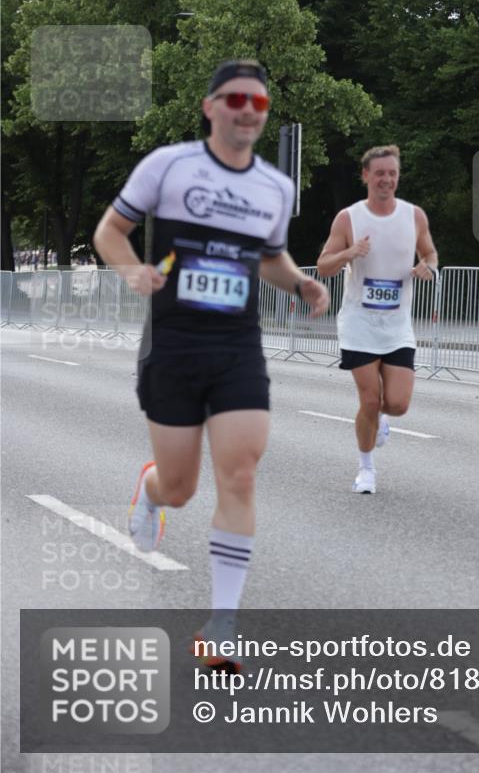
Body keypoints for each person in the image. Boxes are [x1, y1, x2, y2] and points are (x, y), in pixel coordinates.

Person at [93, 59, 329, 665]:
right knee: (180, 487)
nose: (248, 109)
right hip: (173, 342)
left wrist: (301, 283)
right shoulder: (168, 167)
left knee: (241, 473)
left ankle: (222, 625)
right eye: (235, 99)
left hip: (236, 348)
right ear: (210, 107)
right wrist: (131, 270)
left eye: (260, 102)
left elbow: (269, 259)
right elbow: (109, 232)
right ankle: (149, 491)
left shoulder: (275, 188)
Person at [316, 145, 438, 494]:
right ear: (366, 175)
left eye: (392, 174)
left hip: (398, 324)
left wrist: (426, 267)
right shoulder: (348, 218)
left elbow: (429, 252)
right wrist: (349, 253)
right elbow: (324, 264)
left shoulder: (414, 216)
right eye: (380, 173)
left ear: (398, 178)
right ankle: (366, 469)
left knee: (396, 404)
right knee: (369, 400)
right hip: (359, 323)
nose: (386, 179)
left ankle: (382, 419)